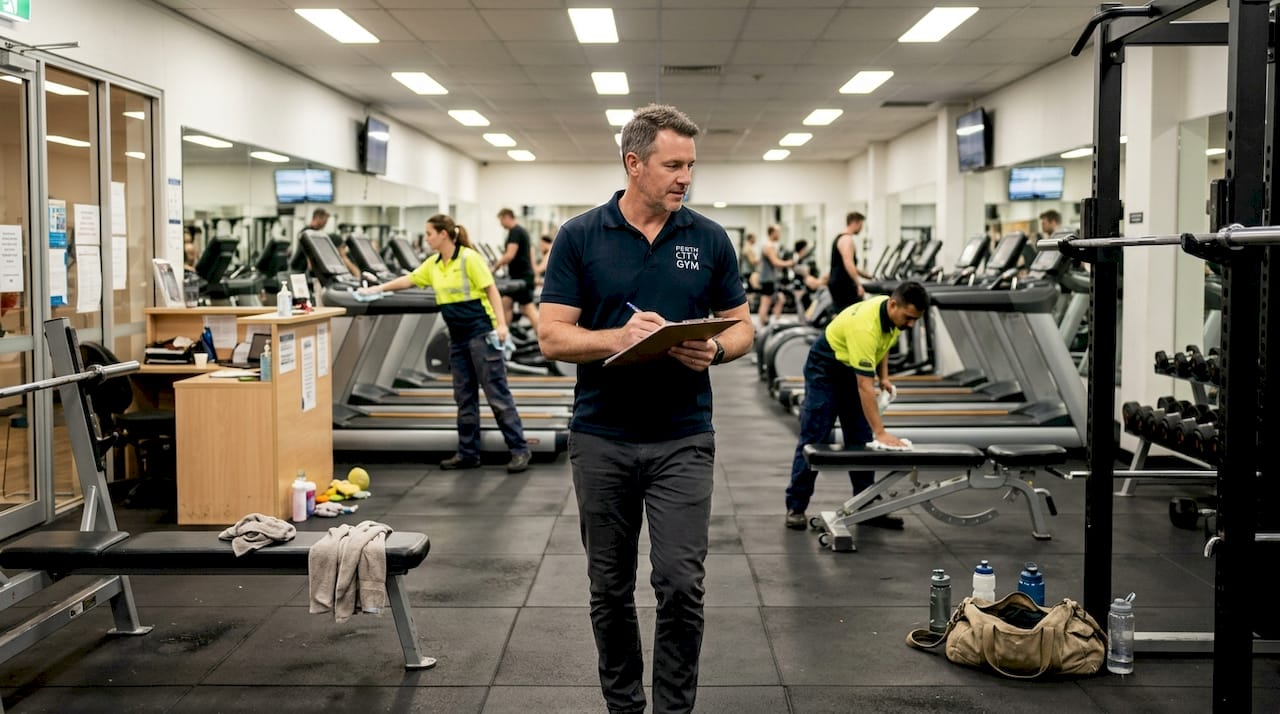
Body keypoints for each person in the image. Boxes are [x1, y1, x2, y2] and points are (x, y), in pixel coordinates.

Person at [538, 103, 753, 714]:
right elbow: (553, 335)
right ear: (634, 164)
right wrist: (619, 338)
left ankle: (674, 710)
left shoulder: (709, 238)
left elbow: (743, 330)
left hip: (683, 438)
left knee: (681, 586)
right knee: (609, 589)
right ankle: (624, 707)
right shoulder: (581, 236)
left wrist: (712, 347)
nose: (686, 177)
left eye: (692, 165)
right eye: (673, 165)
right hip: (601, 437)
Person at [359, 214, 531, 474]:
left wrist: (502, 325)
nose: (426, 238)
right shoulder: (434, 264)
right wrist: (376, 290)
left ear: (443, 234)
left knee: (497, 394)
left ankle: (519, 450)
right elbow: (409, 280)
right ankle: (468, 453)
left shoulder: (468, 258)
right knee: (464, 398)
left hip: (481, 334)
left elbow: (491, 290)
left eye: (429, 233)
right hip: (458, 338)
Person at [784, 281, 930, 531]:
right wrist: (881, 432)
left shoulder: (893, 316)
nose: (910, 324)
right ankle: (796, 507)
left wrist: (884, 376)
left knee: (860, 438)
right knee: (815, 436)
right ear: (894, 304)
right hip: (825, 369)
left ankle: (866, 505)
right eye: (908, 318)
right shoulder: (866, 326)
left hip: (851, 366)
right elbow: (864, 386)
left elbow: (882, 346)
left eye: (915, 320)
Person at [492, 208, 539, 333]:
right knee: (505, 303)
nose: (500, 224)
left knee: (527, 308)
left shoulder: (515, 232)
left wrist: (495, 267)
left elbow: (509, 255)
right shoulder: (520, 231)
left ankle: (545, 337)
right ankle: (504, 336)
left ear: (506, 217)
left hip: (521, 278)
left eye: (501, 220)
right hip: (518, 277)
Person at [828, 212, 872, 311]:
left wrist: (867, 276)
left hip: (838, 282)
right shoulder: (847, 239)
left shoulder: (839, 238)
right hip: (844, 285)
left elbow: (848, 264)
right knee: (855, 312)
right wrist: (858, 284)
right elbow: (848, 263)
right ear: (854, 223)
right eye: (861, 225)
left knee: (845, 313)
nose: (861, 229)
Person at [756, 224, 795, 328]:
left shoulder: (772, 246)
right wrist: (790, 263)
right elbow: (775, 262)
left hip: (772, 279)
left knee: (780, 299)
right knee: (766, 302)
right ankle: (761, 326)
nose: (779, 234)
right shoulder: (768, 246)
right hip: (767, 279)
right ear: (772, 233)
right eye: (778, 232)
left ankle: (775, 322)